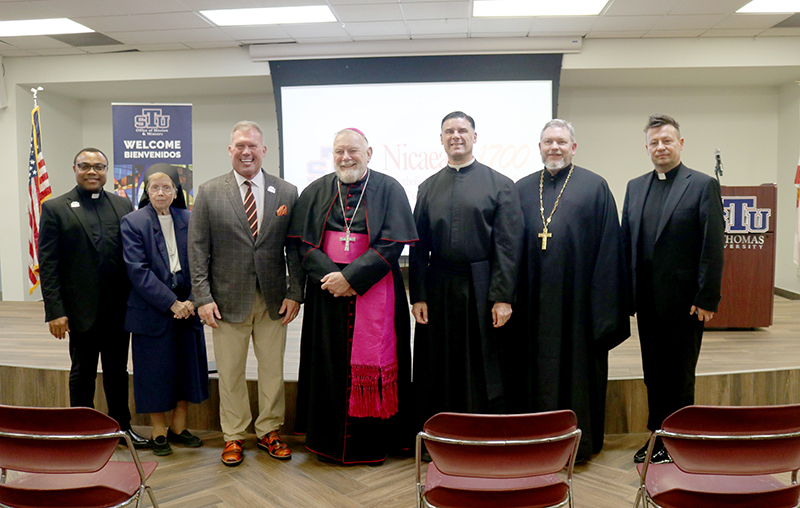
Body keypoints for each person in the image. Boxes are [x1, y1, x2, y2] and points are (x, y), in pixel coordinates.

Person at [288, 128, 417, 464]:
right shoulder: (316, 191)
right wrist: (333, 277)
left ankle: (374, 444)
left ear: (369, 152)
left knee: (377, 367)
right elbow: (303, 243)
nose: (345, 158)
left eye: (353, 151)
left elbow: (392, 242)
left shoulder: (389, 188)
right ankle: (328, 444)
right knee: (328, 368)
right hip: (326, 293)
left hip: (375, 289)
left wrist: (352, 278)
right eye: (339, 152)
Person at [508, 119, 630, 461]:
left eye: (561, 142)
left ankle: (578, 445)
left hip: (578, 306)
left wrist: (602, 312)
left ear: (573, 147)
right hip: (531, 303)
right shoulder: (521, 188)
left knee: (576, 375)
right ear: (540, 147)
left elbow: (610, 250)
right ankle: (532, 441)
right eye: (548, 142)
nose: (554, 148)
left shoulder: (595, 187)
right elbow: (508, 246)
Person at [188, 121, 304, 467]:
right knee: (231, 371)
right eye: (239, 145)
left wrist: (295, 291)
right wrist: (202, 298)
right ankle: (234, 435)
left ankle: (269, 430)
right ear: (230, 150)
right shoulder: (210, 192)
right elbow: (197, 249)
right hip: (224, 301)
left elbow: (294, 250)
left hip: (273, 300)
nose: (246, 151)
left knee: (272, 370)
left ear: (264, 150)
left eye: (252, 145)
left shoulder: (286, 192)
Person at [621, 114, 725, 464]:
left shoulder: (701, 184)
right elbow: (627, 243)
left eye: (667, 140)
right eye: (654, 142)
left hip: (685, 304)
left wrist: (707, 296)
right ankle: (657, 436)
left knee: (679, 374)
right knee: (654, 373)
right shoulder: (635, 186)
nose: (660, 147)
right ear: (646, 148)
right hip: (647, 302)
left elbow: (712, 245)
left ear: (680, 144)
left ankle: (680, 439)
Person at [409, 111, 524, 426]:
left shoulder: (500, 184)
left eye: (462, 130)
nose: (455, 136)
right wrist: (418, 295)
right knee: (439, 362)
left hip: (482, 287)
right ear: (441, 139)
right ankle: (442, 428)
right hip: (439, 286)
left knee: (482, 363)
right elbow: (418, 247)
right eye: (449, 131)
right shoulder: (427, 187)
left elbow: (508, 246)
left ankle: (484, 429)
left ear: (475, 137)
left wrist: (503, 297)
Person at [38, 147, 150, 449]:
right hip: (79, 310)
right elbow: (48, 265)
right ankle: (82, 433)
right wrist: (55, 311)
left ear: (106, 171)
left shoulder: (122, 205)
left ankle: (121, 430)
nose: (92, 172)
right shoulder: (56, 208)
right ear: (74, 168)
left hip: (119, 309)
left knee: (117, 372)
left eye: (98, 167)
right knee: (82, 373)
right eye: (85, 166)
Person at [121, 170, 210, 456]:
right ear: (146, 191)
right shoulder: (133, 222)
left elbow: (202, 262)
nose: (161, 193)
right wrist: (172, 303)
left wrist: (193, 301)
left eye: (167, 187)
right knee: (154, 374)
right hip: (153, 309)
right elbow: (138, 271)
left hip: (188, 308)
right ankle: (159, 432)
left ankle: (179, 428)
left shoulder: (189, 219)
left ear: (176, 191)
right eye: (154, 187)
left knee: (186, 370)